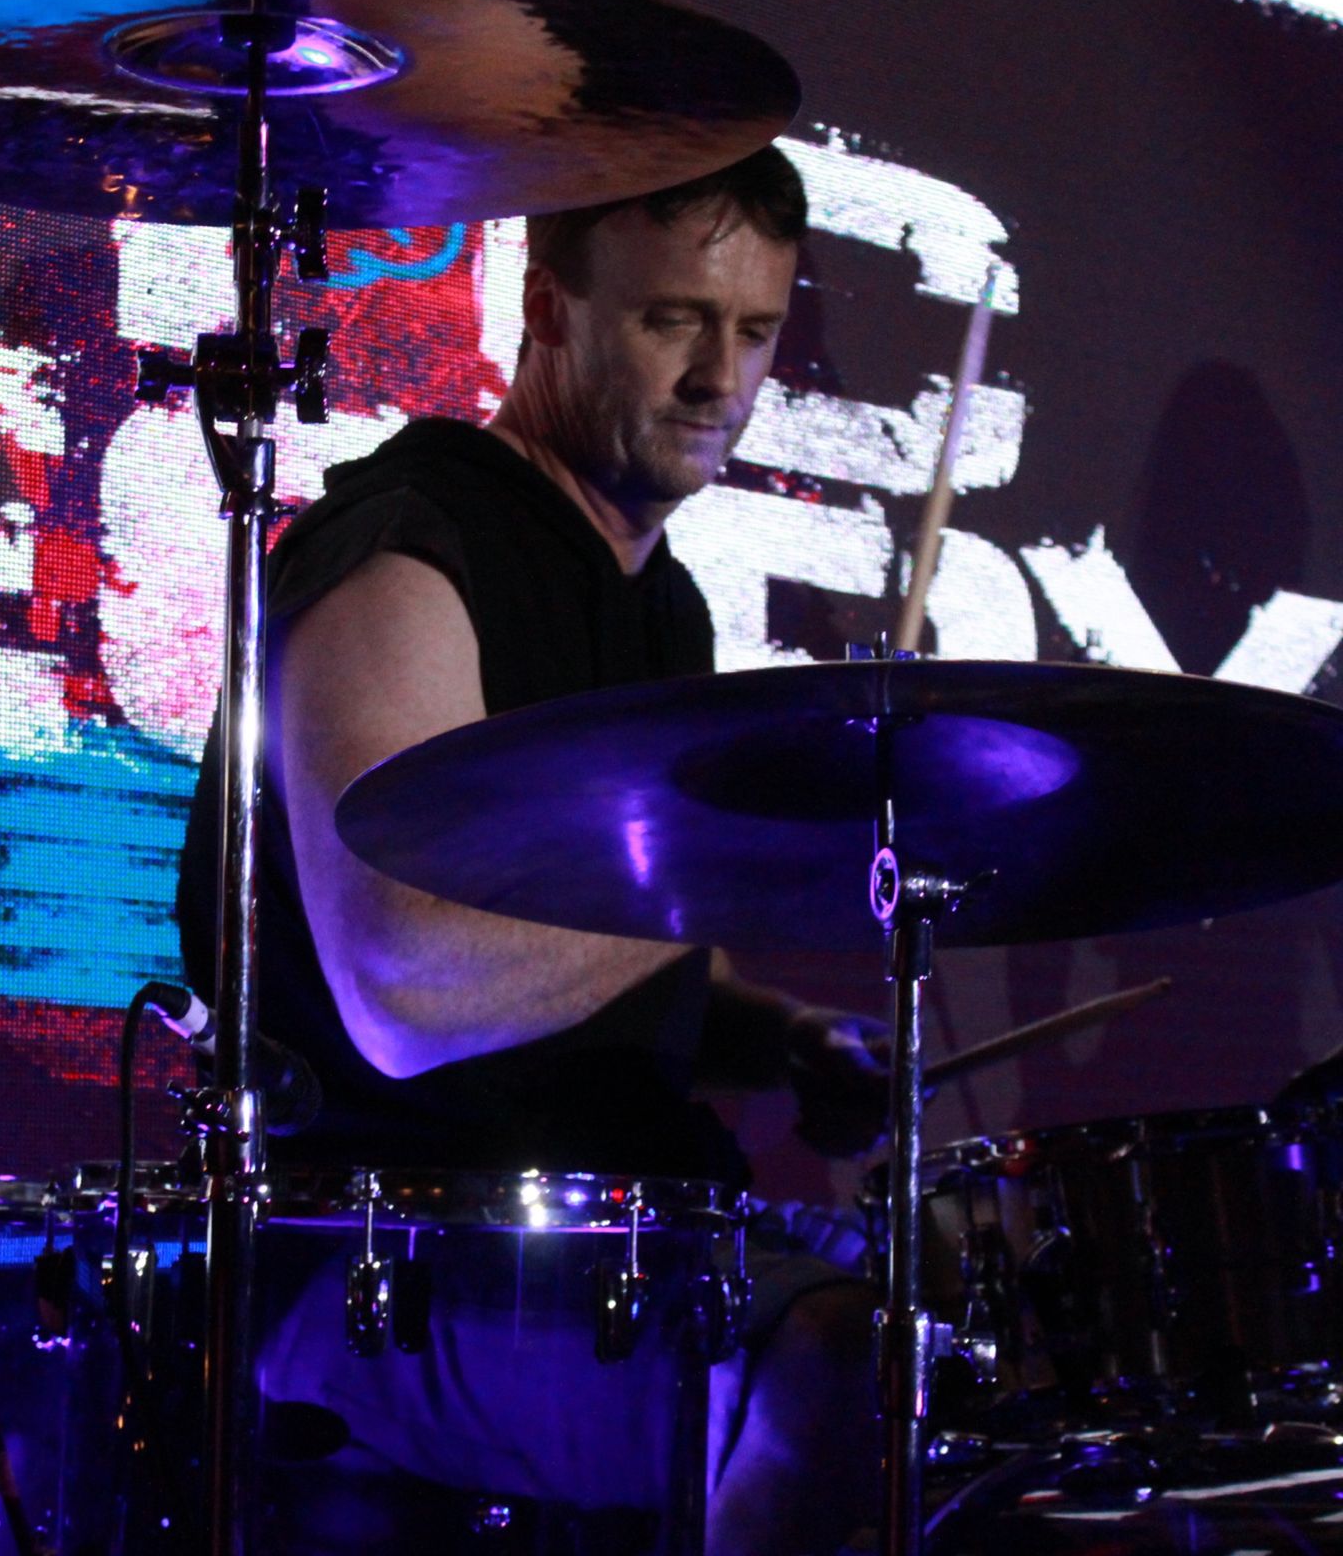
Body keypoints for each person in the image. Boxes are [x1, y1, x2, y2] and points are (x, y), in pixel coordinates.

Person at [177, 144, 886, 1556]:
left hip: (597, 1230)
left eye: (755, 331)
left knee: (975, 1332)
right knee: (846, 1360)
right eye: (675, 319)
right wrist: (740, 866)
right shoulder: (410, 550)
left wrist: (781, 1034)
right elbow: (404, 990)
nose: (721, 379)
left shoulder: (665, 607)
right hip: (372, 1256)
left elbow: (602, 960)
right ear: (548, 307)